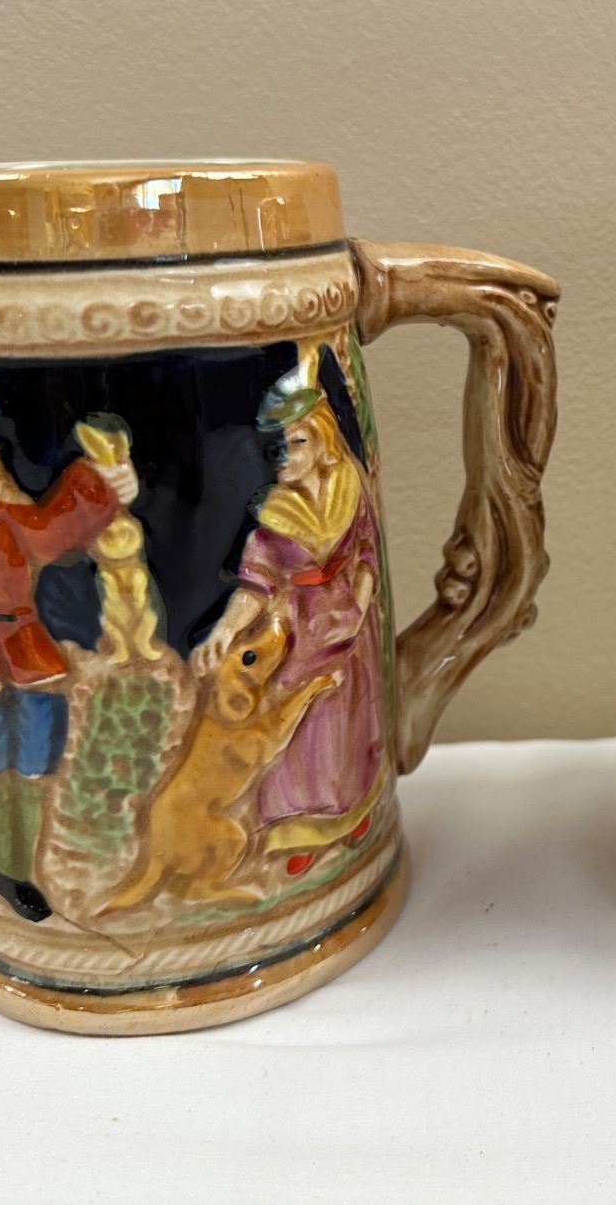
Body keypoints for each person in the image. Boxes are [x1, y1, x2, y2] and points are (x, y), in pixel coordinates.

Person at [0, 354, 136, 921]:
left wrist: (103, 487)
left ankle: (23, 868)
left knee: (36, 755)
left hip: (23, 645)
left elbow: (51, 535)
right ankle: (4, 868)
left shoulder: (5, 503)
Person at [194, 352, 385, 875]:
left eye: (296, 443)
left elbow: (366, 552)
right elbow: (255, 585)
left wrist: (360, 604)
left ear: (321, 441)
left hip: (349, 624)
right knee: (303, 729)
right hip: (301, 632)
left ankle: (352, 815)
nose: (284, 456)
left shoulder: (349, 490)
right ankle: (301, 830)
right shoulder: (274, 517)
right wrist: (226, 630)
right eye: (277, 446)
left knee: (350, 719)